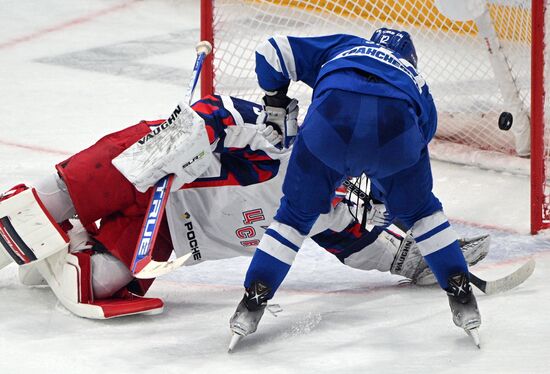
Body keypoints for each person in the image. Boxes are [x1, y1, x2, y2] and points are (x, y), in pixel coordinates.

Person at [0, 94, 488, 320]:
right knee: (51, 200)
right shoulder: (286, 139)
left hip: (166, 229)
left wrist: (422, 262)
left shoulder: (328, 212)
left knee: (98, 283)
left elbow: (375, 251)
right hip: (150, 160)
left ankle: (66, 240)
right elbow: (217, 111)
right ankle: (48, 223)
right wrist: (195, 136)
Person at [229, 28, 483, 347]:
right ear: (410, 59)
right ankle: (459, 290)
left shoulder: (348, 46)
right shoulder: (418, 82)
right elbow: (412, 147)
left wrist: (275, 102)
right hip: (396, 127)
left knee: (293, 220)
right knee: (423, 214)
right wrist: (381, 199)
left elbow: (270, 51)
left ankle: (253, 299)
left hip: (331, 119)